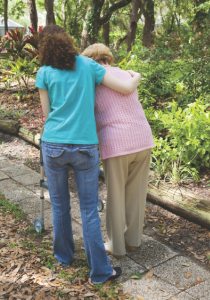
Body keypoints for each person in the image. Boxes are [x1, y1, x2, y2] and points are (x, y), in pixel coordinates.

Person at [35, 26, 141, 283]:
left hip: (54, 145)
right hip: (84, 147)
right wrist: (136, 76)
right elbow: (125, 87)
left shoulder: (44, 72)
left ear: (45, 48)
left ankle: (64, 256)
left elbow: (48, 115)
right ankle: (101, 271)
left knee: (59, 205)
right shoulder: (89, 65)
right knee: (89, 210)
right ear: (69, 42)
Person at [82, 43, 155, 259]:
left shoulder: (93, 78)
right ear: (108, 58)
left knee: (115, 195)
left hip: (117, 142)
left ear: (88, 61)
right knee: (137, 193)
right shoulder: (126, 74)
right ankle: (133, 241)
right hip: (142, 138)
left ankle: (116, 246)